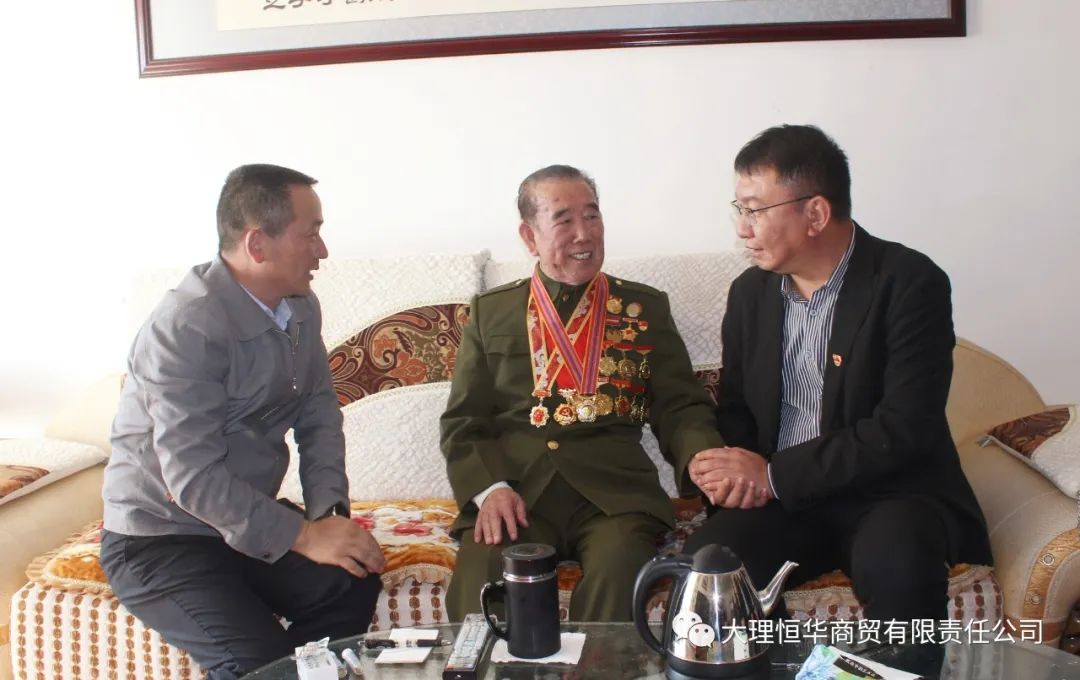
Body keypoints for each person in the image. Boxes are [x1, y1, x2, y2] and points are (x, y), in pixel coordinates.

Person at [684, 125, 992, 623]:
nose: (742, 228)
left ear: (816, 214)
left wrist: (773, 475)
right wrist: (732, 475)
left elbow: (904, 427)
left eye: (755, 210)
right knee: (709, 571)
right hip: (782, 500)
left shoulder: (909, 282)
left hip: (889, 492)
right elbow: (737, 409)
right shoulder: (750, 294)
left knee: (900, 569)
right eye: (739, 209)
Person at [99, 164, 385, 679]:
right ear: (257, 244)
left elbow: (319, 416)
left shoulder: (300, 307)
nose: (322, 251)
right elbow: (192, 479)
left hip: (243, 521)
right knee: (259, 664)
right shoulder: (185, 327)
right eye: (311, 234)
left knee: (351, 578)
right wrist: (304, 538)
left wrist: (328, 516)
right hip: (161, 538)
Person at [441, 164, 725, 621]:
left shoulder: (643, 308)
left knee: (621, 574)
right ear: (530, 236)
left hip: (614, 498)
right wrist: (490, 489)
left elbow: (680, 404)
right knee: (482, 577)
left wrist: (701, 456)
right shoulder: (493, 312)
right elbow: (463, 421)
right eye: (564, 219)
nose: (583, 233)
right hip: (518, 494)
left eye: (592, 216)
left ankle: (598, 661)